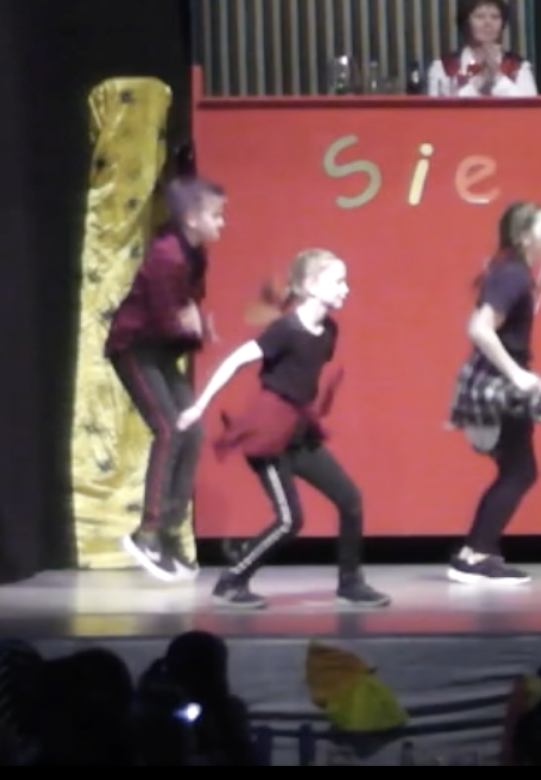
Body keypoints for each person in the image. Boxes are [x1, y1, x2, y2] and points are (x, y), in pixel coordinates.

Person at [179, 249, 388, 610]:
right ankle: (232, 582)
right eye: (338, 281)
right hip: (269, 435)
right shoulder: (285, 330)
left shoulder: (328, 331)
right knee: (290, 520)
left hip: (298, 434)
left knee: (350, 499)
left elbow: (301, 382)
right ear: (311, 286)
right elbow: (235, 361)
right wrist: (200, 405)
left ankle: (350, 583)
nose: (346, 288)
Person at [105, 176, 227, 581]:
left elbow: (185, 310)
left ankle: (170, 531)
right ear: (191, 218)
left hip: (160, 352)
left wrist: (195, 324)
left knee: (191, 430)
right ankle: (147, 532)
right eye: (216, 215)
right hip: (135, 348)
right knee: (169, 429)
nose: (222, 223)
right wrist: (188, 324)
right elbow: (164, 317)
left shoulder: (196, 256)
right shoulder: (166, 256)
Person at [447, 201, 541, 585]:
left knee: (517, 469)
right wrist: (517, 375)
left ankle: (476, 551)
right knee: (519, 470)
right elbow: (480, 328)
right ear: (525, 237)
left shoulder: (512, 271)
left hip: (497, 381)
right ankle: (476, 554)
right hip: (498, 384)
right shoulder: (512, 275)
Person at [426, 0, 539, 97]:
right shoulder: (444, 67)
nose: (488, 23)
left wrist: (497, 77)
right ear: (465, 22)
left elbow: (529, 106)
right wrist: (477, 82)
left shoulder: (518, 66)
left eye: (495, 17)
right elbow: (437, 108)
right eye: (479, 17)